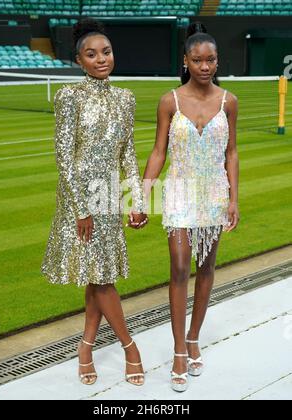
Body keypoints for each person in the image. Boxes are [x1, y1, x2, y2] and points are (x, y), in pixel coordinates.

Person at [41, 18, 148, 386]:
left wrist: (137, 199)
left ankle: (85, 347)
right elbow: (64, 156)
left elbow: (128, 154)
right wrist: (81, 209)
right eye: (92, 54)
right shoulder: (69, 96)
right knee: (103, 279)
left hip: (110, 199)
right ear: (79, 61)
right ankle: (130, 348)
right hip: (80, 202)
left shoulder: (126, 99)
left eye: (106, 52)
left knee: (97, 275)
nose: (101, 59)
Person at [142, 22, 240, 392]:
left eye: (211, 59)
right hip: (180, 193)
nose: (204, 66)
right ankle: (179, 349)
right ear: (185, 61)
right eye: (197, 59)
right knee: (180, 266)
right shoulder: (170, 100)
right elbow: (158, 151)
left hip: (213, 194)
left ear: (217, 61)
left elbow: (231, 153)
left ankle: (195, 335)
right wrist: (142, 195)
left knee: (207, 267)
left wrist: (233, 199)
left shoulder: (229, 101)